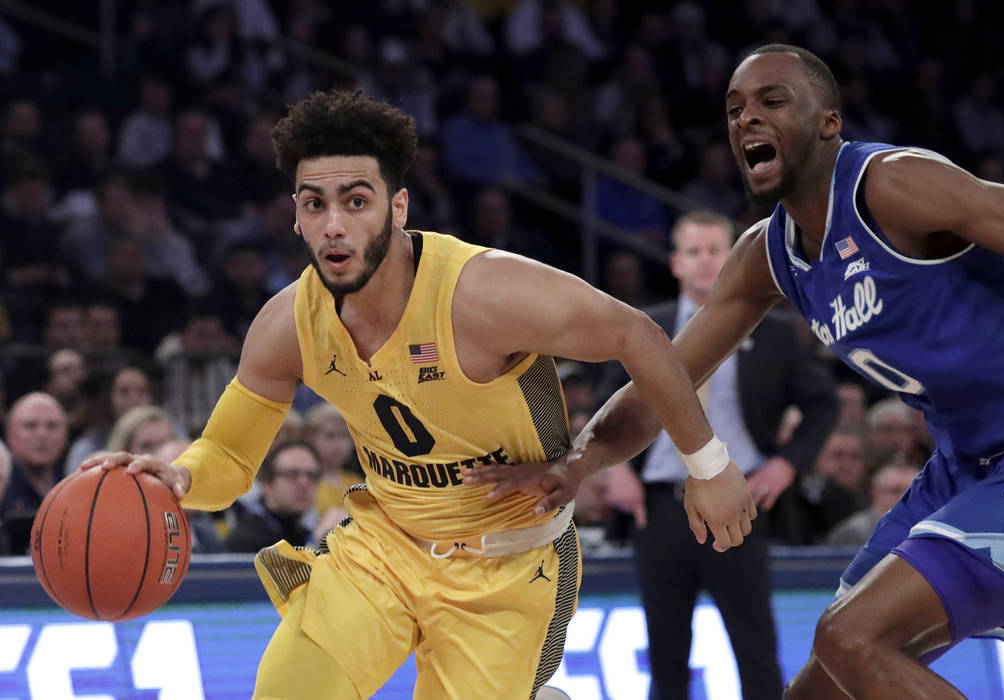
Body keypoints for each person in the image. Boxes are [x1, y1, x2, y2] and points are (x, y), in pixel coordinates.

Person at [83, 88, 754, 699]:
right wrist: (178, 476)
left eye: (356, 200)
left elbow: (639, 334)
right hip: (384, 547)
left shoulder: (484, 293)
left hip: (505, 567)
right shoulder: (287, 322)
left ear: (398, 206)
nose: (334, 225)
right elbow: (228, 456)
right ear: (295, 215)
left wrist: (709, 465)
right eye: (314, 203)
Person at [466, 44, 1004, 699]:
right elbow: (664, 382)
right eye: (735, 109)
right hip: (966, 463)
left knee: (849, 638)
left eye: (772, 101)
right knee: (825, 683)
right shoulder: (764, 257)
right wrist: (576, 464)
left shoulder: (895, 185)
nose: (747, 119)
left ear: (829, 122)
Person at [600, 210, 837, 700]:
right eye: (694, 251)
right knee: (665, 653)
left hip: (740, 503)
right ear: (675, 262)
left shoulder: (773, 331)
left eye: (715, 251)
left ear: (732, 259)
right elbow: (607, 407)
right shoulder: (645, 328)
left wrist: (786, 463)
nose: (706, 262)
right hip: (659, 507)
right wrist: (618, 469)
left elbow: (824, 403)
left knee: (755, 647)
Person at [226, 440, 323, 553]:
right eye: (292, 474)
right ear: (267, 485)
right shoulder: (248, 538)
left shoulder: (303, 529)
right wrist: (319, 540)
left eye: (311, 475)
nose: (304, 483)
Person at [0, 393, 68, 555]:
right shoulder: (1, 484)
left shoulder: (77, 488)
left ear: (65, 435)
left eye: (52, 426)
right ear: (9, 434)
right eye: (30, 426)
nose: (42, 434)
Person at [826, 461, 919, 547]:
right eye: (895, 491)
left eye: (911, 492)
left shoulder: (926, 531)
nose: (904, 498)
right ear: (875, 493)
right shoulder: (853, 533)